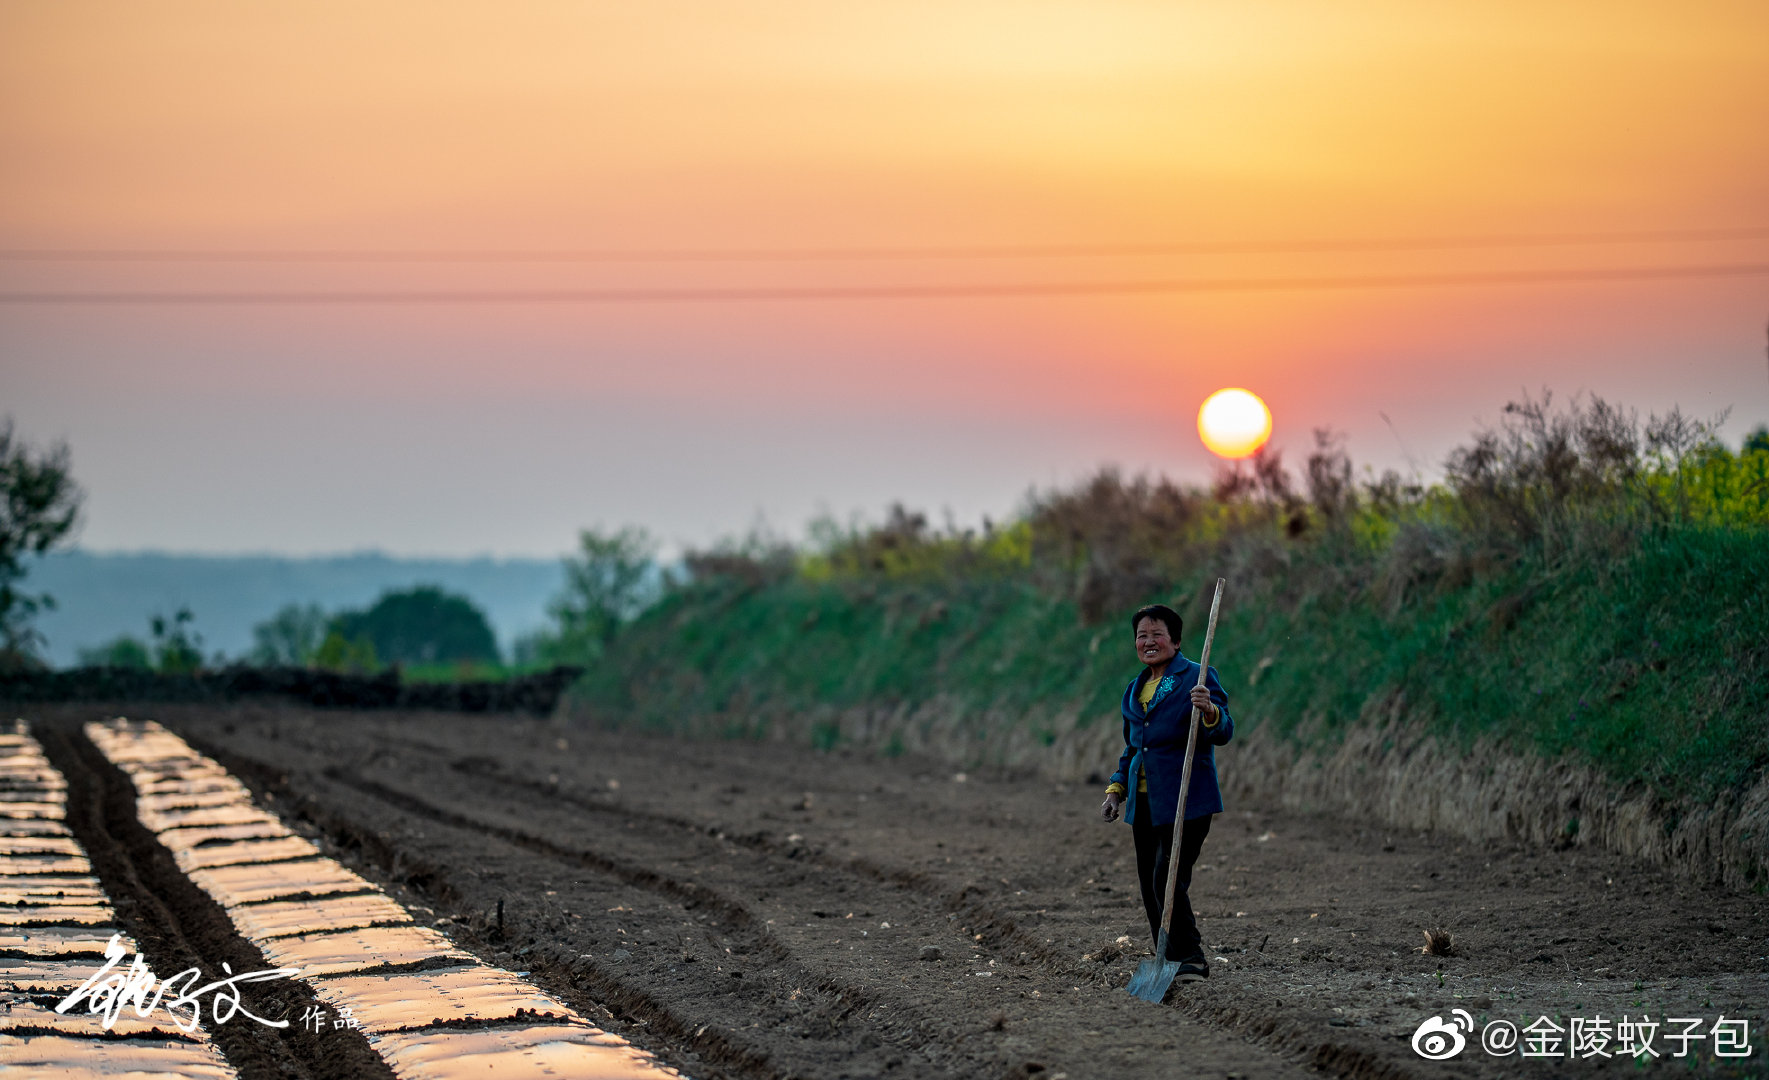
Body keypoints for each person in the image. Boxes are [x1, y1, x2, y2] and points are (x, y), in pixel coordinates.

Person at [1099, 602, 1232, 982]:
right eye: (1142, 635)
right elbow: (1133, 748)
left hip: (1186, 798)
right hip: (1144, 804)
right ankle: (1168, 959)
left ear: (1175, 641)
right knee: (1149, 884)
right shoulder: (1134, 689)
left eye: (1157, 634)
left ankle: (1191, 957)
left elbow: (1224, 730)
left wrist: (1209, 710)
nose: (1149, 641)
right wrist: (1116, 790)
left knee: (1167, 880)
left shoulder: (1197, 676)